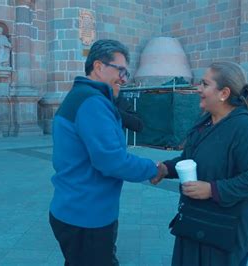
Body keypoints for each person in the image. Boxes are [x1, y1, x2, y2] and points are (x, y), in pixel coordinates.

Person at [49, 39, 166, 266]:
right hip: (87, 216)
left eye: (126, 72)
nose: (123, 78)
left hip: (73, 210)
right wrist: (153, 168)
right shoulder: (92, 103)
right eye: (120, 70)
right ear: (99, 67)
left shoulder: (80, 96)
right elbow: (111, 160)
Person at [153, 61, 248, 266]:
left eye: (205, 84)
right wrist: (167, 168)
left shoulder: (245, 128)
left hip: (226, 230)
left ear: (224, 93)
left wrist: (212, 189)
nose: (198, 88)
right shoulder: (206, 122)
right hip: (197, 221)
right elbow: (190, 160)